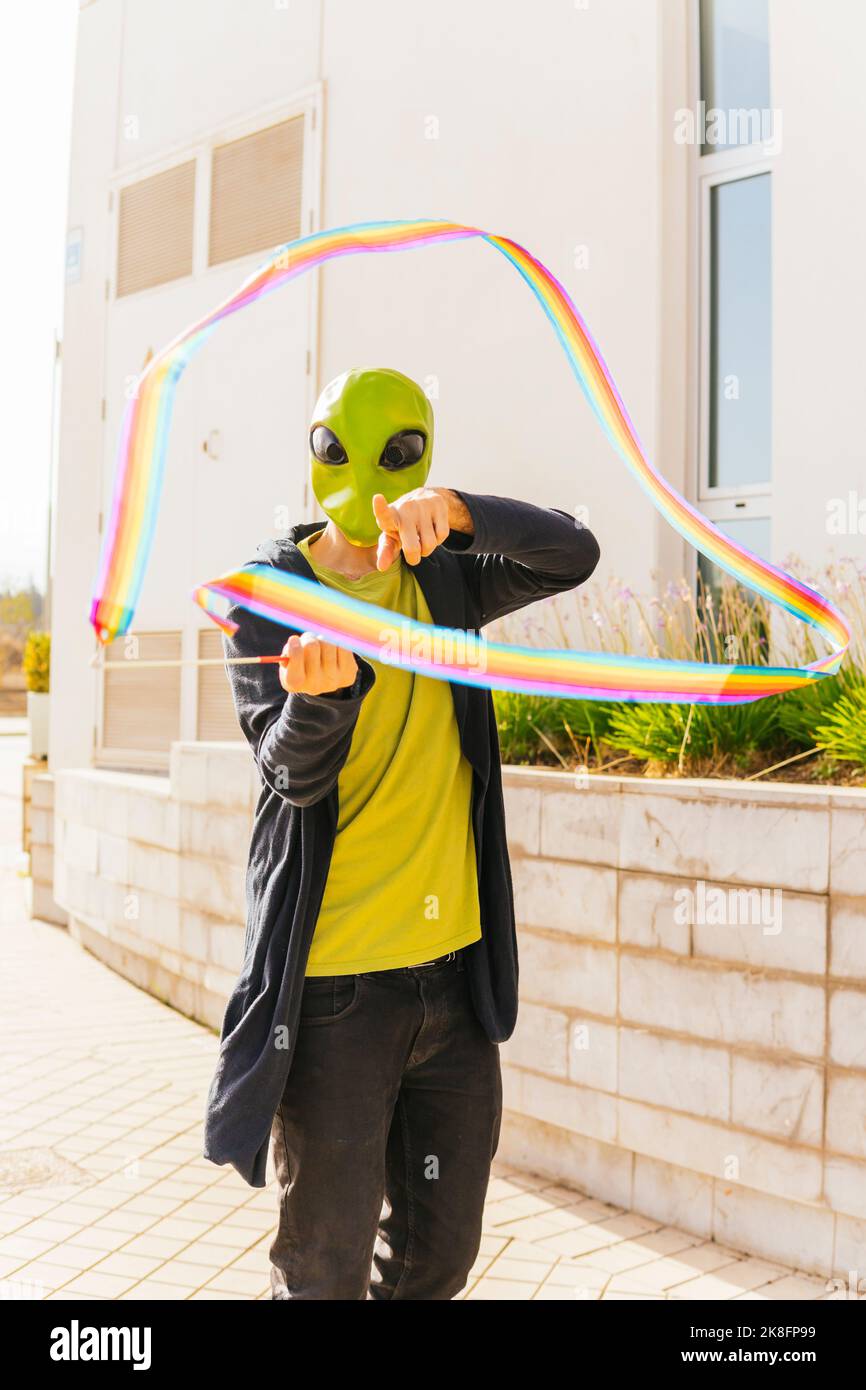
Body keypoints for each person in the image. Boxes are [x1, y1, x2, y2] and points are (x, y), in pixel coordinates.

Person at [203, 366, 600, 1299]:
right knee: (324, 1272)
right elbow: (288, 772)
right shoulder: (271, 595)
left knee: (437, 1262)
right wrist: (324, 698)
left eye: (401, 451)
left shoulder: (447, 580)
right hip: (338, 993)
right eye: (345, 449)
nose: (369, 474)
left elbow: (572, 554)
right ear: (316, 450)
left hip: (456, 985)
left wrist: (461, 513)